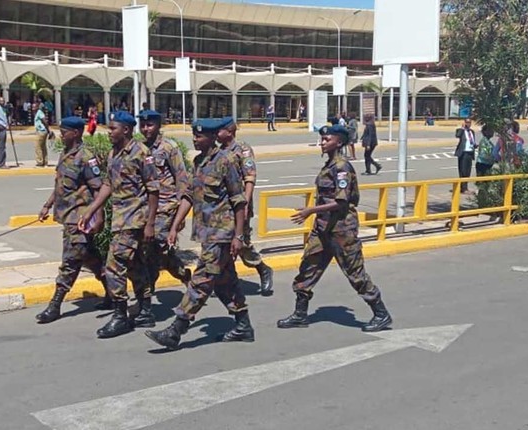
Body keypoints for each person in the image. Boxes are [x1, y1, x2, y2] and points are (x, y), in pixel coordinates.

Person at [145, 118, 252, 351]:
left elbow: (239, 201)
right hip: (206, 233)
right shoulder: (198, 162)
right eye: (194, 134)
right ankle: (243, 324)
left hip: (222, 233)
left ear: (213, 137)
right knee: (226, 283)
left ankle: (176, 330)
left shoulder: (226, 161)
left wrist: (239, 236)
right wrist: (175, 226)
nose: (195, 139)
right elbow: (189, 197)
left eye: (200, 136)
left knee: (201, 280)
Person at [277, 124, 392, 332]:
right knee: (307, 268)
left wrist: (310, 210)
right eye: (322, 140)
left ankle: (381, 314)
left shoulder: (341, 167)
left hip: (341, 229)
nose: (322, 142)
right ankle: (300, 314)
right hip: (322, 227)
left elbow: (342, 202)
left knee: (355, 273)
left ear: (338, 142)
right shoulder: (329, 165)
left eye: (327, 139)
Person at [78, 111, 159, 339]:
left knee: (114, 265)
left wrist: (150, 223)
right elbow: (107, 185)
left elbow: (153, 190)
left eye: (112, 128)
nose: (109, 132)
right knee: (133, 265)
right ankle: (145, 310)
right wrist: (92, 210)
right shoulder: (114, 153)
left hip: (135, 219)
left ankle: (120, 316)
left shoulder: (141, 153)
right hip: (121, 218)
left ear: (125, 129)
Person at [34, 117, 107, 324]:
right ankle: (113, 294)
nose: (60, 135)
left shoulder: (86, 157)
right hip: (67, 216)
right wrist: (47, 205)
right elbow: (61, 186)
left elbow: (98, 189)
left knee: (70, 262)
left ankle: (55, 305)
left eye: (64, 132)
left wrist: (98, 216)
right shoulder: (65, 154)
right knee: (91, 259)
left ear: (75, 133)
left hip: (80, 218)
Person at [137, 109, 192, 327]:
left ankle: (145, 307)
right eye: (143, 125)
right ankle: (185, 276)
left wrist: (179, 217)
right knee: (161, 254)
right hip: (146, 210)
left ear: (159, 125)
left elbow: (182, 181)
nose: (145, 129)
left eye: (150, 125)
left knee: (150, 255)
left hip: (166, 209)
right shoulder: (139, 149)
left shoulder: (169, 148)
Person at [216, 117, 274, 295]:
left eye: (219, 130)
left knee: (242, 243)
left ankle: (263, 268)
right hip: (223, 206)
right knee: (223, 241)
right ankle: (225, 280)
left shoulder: (242, 149)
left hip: (239, 205)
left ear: (230, 131)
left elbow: (250, 177)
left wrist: (246, 202)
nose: (216, 134)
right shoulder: (219, 151)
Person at [454, 118, 477, 192]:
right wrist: (462, 128)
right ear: (464, 123)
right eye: (467, 122)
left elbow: (472, 141)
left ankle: (465, 187)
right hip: (463, 153)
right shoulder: (461, 131)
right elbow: (457, 135)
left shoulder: (472, 132)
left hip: (470, 152)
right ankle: (463, 188)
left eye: (470, 122)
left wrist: (475, 145)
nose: (468, 124)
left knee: (468, 171)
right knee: (462, 171)